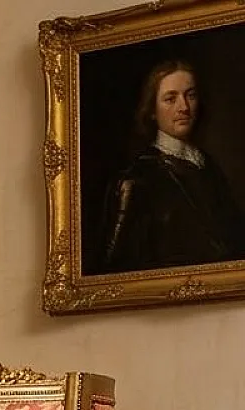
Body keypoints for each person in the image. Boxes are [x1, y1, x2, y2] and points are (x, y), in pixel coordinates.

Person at [103, 60, 245, 272]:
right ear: (152, 110)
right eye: (171, 99)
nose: (184, 107)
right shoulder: (137, 179)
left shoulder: (208, 166)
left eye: (191, 95)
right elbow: (115, 267)